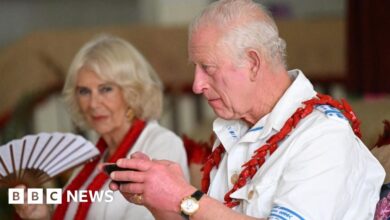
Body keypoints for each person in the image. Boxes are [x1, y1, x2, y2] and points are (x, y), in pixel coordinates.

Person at [108, 0, 385, 219]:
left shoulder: (324, 135)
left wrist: (183, 197)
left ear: (253, 63)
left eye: (208, 68)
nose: (197, 85)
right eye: (196, 68)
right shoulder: (236, 129)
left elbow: (197, 208)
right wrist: (157, 198)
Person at [14, 35, 189, 220]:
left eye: (106, 89)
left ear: (132, 91)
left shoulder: (162, 144)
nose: (93, 103)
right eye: (84, 91)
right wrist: (42, 215)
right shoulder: (89, 158)